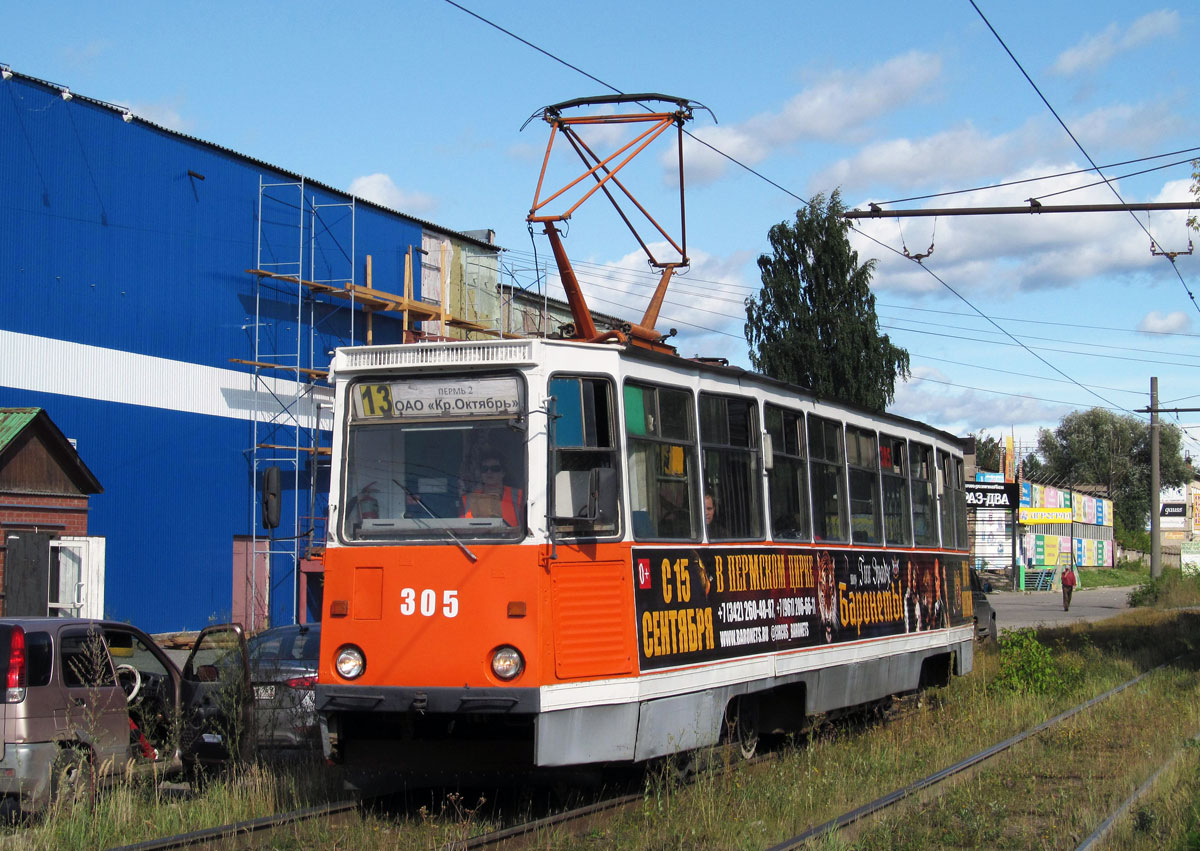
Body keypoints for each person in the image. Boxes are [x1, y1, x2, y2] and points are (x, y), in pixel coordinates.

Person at [462, 454, 523, 527]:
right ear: (481, 473)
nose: (489, 472)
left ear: (503, 473)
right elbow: (458, 527)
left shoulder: (518, 496)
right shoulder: (467, 499)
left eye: (495, 469)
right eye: (484, 469)